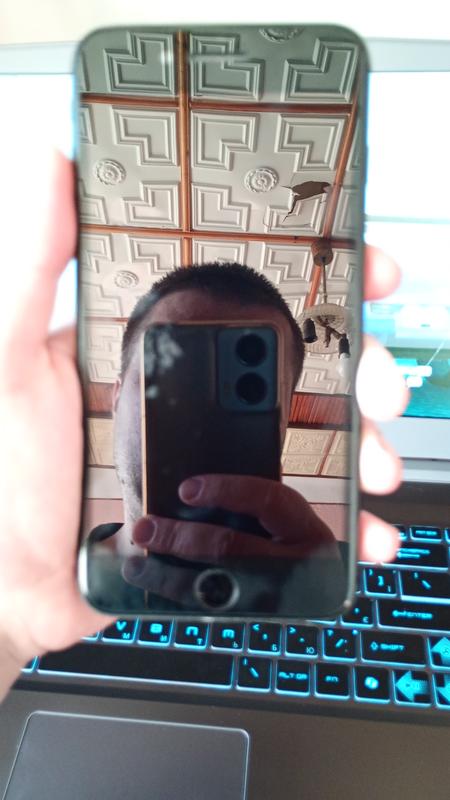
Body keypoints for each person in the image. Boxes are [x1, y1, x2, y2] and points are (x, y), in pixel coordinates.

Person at [0, 151, 408, 702]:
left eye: (246, 394)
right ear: (117, 398)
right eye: (170, 380)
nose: (194, 421)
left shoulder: (334, 580)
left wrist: (323, 613)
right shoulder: (30, 582)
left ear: (285, 420)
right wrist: (7, 629)